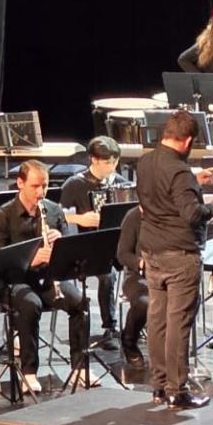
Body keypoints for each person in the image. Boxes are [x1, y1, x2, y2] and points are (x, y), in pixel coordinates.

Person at [136, 110, 213, 408]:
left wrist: (194, 180)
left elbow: (162, 190)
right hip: (179, 255)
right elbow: (192, 214)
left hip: (152, 251)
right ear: (187, 142)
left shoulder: (145, 161)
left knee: (157, 319)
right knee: (178, 322)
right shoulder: (180, 173)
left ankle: (159, 386)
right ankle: (178, 390)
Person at [0, 160, 93, 395]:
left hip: (48, 276)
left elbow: (69, 252)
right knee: (30, 305)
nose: (40, 192)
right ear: (20, 183)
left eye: (44, 186)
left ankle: (79, 366)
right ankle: (29, 371)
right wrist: (31, 259)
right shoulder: (2, 216)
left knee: (80, 303)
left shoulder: (53, 210)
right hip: (14, 281)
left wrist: (60, 243)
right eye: (35, 186)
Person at [58, 136, 126, 346]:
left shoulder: (120, 183)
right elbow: (57, 215)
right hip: (88, 247)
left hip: (117, 244)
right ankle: (109, 327)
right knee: (108, 275)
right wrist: (81, 218)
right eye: (107, 163)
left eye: (114, 162)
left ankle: (138, 325)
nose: (112, 167)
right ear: (93, 160)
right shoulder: (75, 183)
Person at [113, 205, 148, 376]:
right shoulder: (133, 216)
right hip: (137, 276)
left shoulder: (169, 213)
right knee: (145, 302)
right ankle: (129, 339)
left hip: (165, 273)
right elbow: (122, 254)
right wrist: (142, 263)